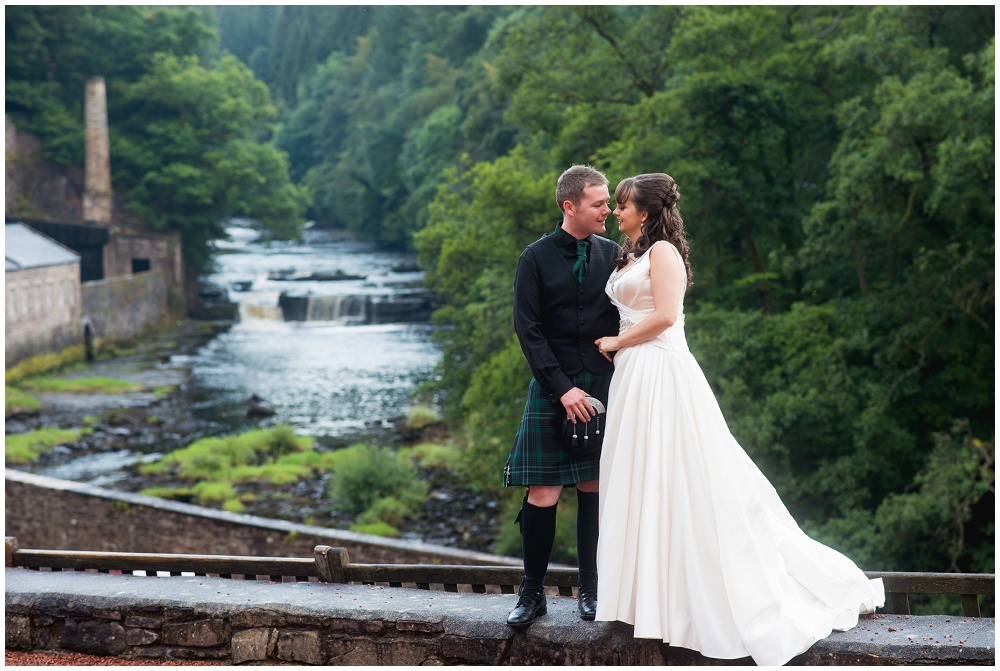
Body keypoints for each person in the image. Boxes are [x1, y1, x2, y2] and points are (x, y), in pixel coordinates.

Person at [593, 173, 885, 666]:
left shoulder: (663, 253)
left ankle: (693, 600)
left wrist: (617, 343)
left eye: (622, 206)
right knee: (642, 479)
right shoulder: (632, 254)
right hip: (634, 377)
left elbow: (666, 315)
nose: (616, 213)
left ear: (644, 211)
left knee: (682, 477)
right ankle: (646, 598)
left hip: (661, 370)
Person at [503, 164, 621, 627]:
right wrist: (562, 389)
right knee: (543, 489)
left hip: (601, 385)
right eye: (599, 204)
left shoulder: (613, 254)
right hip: (553, 387)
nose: (607, 210)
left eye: (608, 202)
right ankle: (532, 594)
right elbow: (527, 331)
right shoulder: (534, 258)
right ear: (569, 206)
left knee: (593, 485)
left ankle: (591, 590)